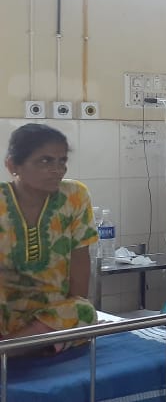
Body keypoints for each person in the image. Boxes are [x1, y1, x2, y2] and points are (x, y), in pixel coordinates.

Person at [0, 124, 98, 353]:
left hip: (51, 316)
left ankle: (10, 349)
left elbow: (80, 270)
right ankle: (30, 345)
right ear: (13, 166)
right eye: (45, 161)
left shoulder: (75, 196)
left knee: (84, 311)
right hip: (5, 308)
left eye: (62, 161)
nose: (57, 170)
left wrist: (66, 315)